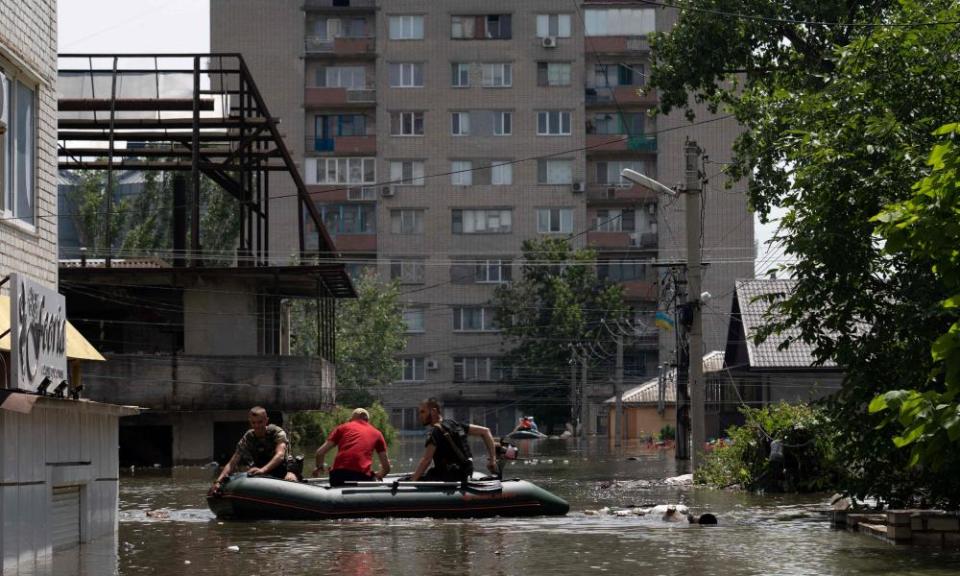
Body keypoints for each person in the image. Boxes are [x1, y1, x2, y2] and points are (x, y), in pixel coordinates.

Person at [411, 398, 498, 482]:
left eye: (423, 412)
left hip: (450, 476)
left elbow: (426, 460)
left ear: (433, 411)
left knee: (411, 479)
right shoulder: (455, 424)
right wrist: (493, 460)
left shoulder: (435, 431)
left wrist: (412, 481)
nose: (420, 416)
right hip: (465, 472)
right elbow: (486, 431)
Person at [212, 406, 297, 492]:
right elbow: (232, 462)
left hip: (283, 470)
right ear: (250, 422)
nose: (257, 426)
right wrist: (218, 481)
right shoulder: (248, 437)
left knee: (290, 478)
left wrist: (262, 470)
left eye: (260, 422)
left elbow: (280, 455)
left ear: (266, 420)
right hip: (262, 472)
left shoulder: (277, 432)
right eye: (253, 423)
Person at [313, 407, 391, 487]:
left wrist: (319, 467)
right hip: (361, 478)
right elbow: (386, 468)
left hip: (337, 476)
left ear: (352, 419)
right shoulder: (377, 433)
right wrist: (378, 475)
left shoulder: (342, 428)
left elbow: (320, 453)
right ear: (367, 420)